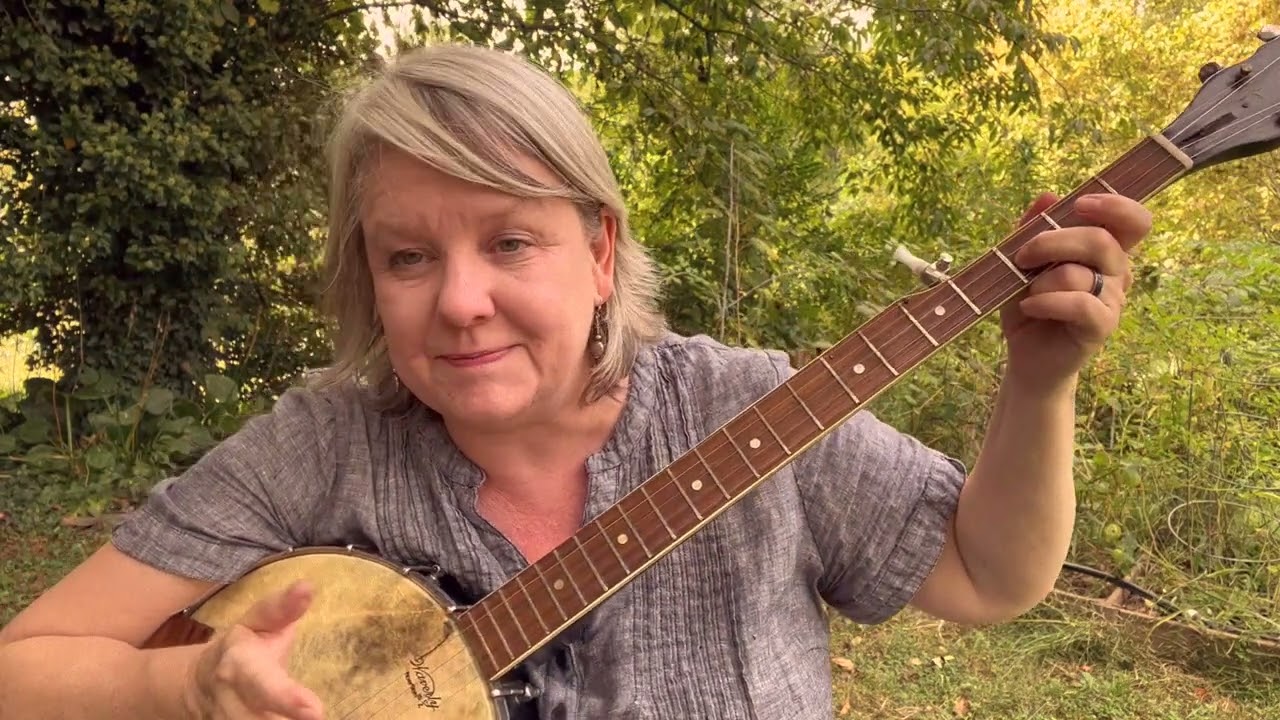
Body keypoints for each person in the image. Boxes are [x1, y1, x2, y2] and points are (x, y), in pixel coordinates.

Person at [0, 43, 1151, 719]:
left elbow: (989, 579)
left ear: (598, 252)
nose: (458, 300)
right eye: (409, 255)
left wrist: (1038, 389)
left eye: (509, 242)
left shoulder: (745, 411)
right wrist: (186, 685)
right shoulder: (316, 448)